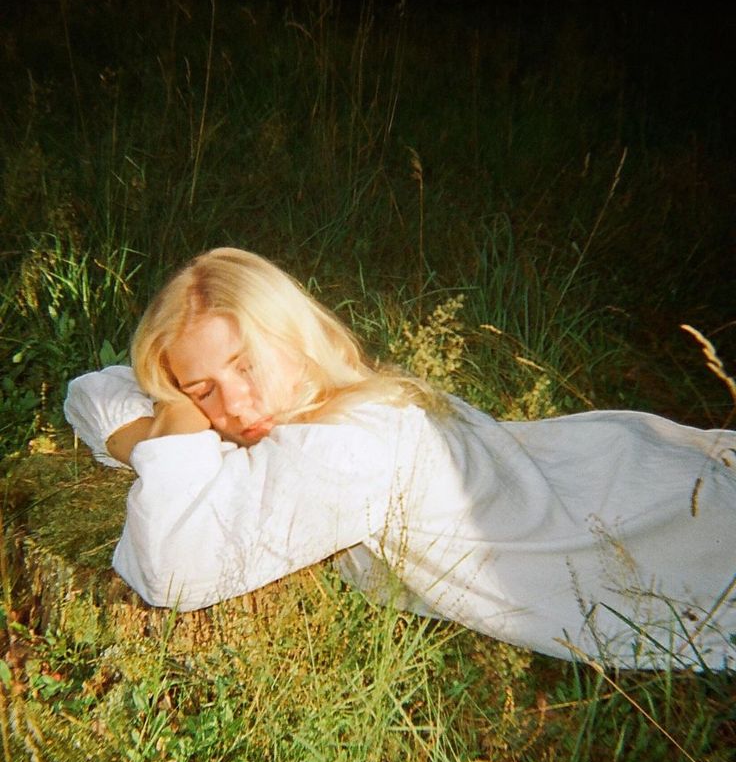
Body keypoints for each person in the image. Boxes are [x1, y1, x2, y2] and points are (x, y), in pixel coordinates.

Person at [64, 247, 736, 671]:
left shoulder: (344, 448)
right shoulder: (327, 396)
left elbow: (172, 573)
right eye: (201, 386)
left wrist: (174, 429)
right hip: (622, 473)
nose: (234, 405)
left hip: (681, 528)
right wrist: (169, 420)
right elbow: (93, 391)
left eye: (245, 364)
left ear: (293, 339)